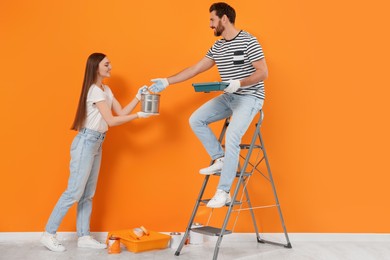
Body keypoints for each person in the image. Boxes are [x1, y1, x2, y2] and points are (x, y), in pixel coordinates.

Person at [149, 2, 267, 208]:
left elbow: (263, 72)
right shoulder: (218, 46)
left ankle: (223, 192)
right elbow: (195, 69)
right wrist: (167, 81)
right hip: (229, 97)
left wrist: (239, 83)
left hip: (249, 97)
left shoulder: (249, 41)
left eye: (212, 20)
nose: (210, 25)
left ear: (224, 18)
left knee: (232, 137)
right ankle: (220, 159)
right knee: (196, 119)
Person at [40, 53, 156, 252]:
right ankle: (48, 234)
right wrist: (139, 115)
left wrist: (138, 97)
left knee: (87, 194)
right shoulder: (94, 91)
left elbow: (120, 113)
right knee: (74, 192)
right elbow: (111, 121)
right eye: (107, 64)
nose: (111, 66)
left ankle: (84, 236)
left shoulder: (106, 90)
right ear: (96, 67)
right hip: (86, 142)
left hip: (97, 143)